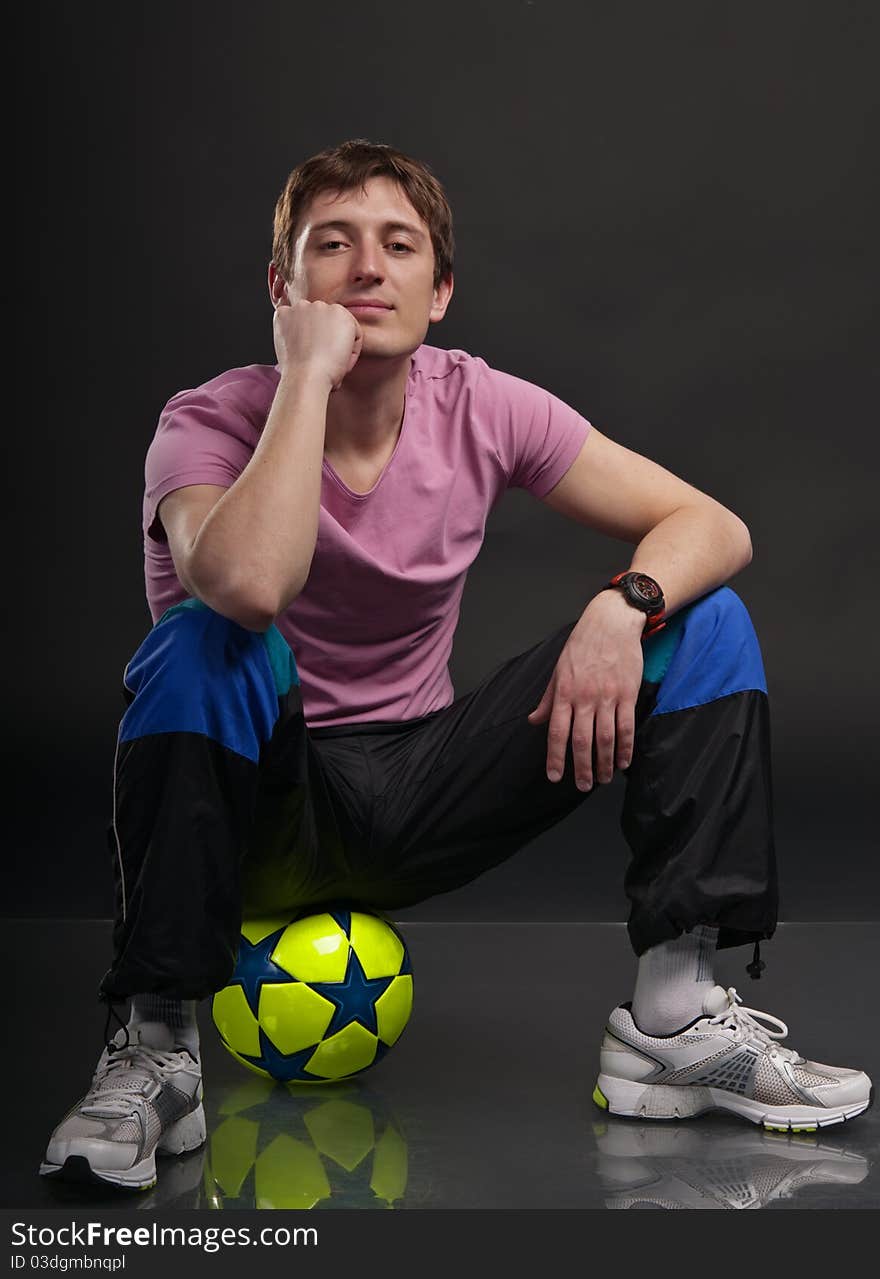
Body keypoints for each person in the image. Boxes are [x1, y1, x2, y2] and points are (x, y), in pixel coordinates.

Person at [41, 140, 871, 1192]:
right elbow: (248, 585)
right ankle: (156, 1048)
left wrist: (623, 608)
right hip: (259, 806)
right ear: (282, 286)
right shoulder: (206, 419)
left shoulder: (478, 404)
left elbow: (710, 523)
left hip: (423, 787)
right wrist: (305, 376)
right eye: (329, 246)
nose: (365, 269)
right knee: (205, 638)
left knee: (701, 619)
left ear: (439, 293)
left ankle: (672, 1025)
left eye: (398, 246)